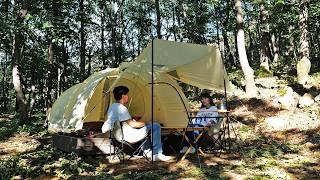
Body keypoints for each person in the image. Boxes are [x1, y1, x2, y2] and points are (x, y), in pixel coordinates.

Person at [101, 85, 173, 161]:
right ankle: (156, 154)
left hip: (118, 136)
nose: (128, 96)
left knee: (144, 127)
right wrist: (146, 123)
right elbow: (132, 124)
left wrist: (141, 124)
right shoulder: (121, 108)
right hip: (127, 136)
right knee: (155, 125)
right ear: (123, 96)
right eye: (127, 94)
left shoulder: (112, 107)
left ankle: (148, 152)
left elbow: (125, 122)